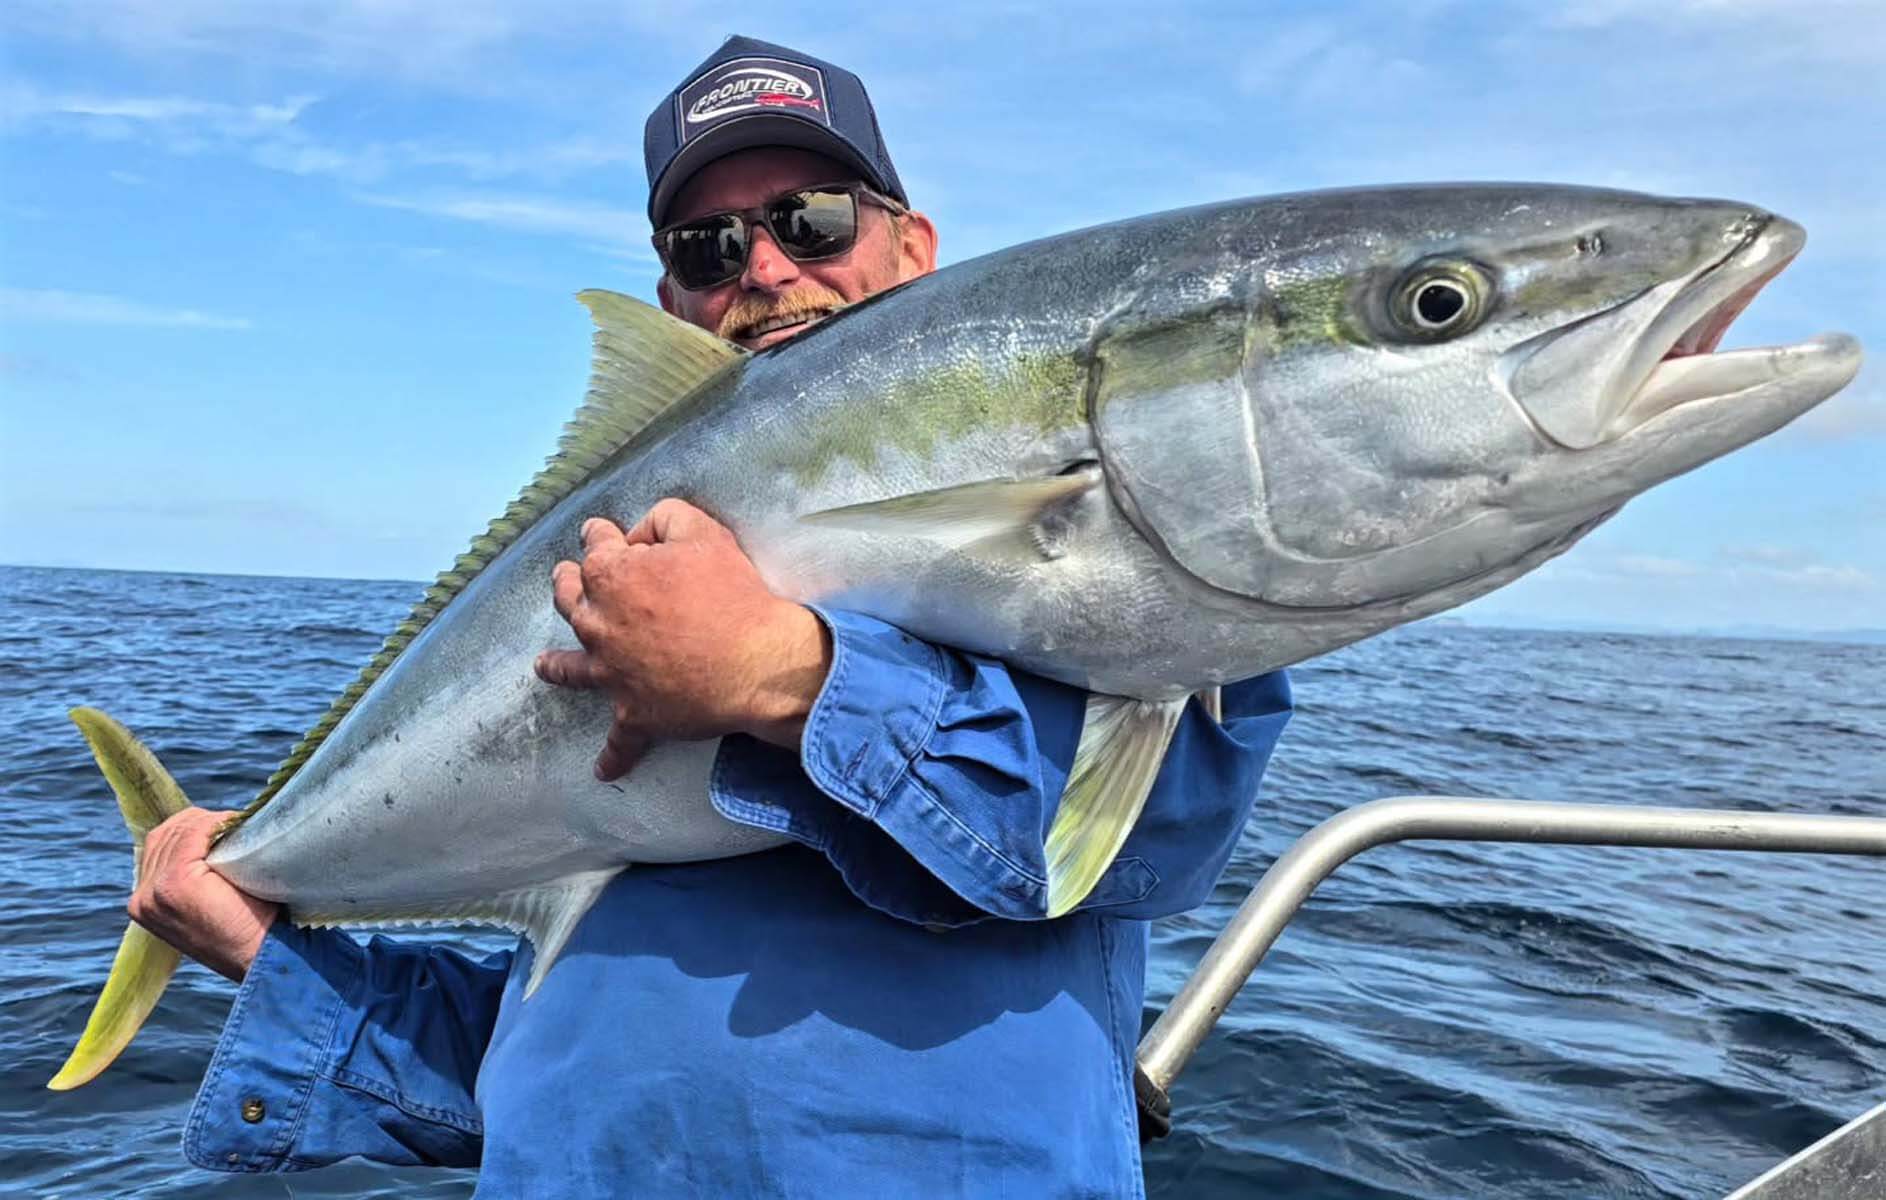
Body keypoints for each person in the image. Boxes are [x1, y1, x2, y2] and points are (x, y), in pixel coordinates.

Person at [129, 36, 1293, 1198]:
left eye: (814, 220)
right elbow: (529, 1068)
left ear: (913, 246)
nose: (768, 269)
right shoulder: (602, 576)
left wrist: (784, 677)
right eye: (709, 246)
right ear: (672, 300)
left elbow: (1144, 844)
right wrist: (260, 951)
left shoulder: (1123, 584)